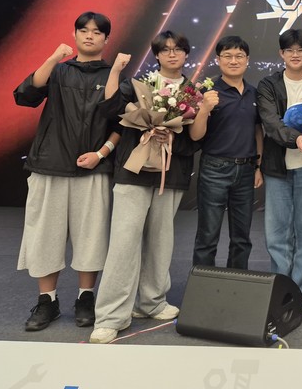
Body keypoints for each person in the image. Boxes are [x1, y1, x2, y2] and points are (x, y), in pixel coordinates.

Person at [90, 30, 213, 344]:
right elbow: (110, 111)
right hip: (133, 173)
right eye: (165, 49)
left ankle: (151, 302)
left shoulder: (193, 92)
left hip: (171, 175)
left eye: (178, 49)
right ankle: (110, 316)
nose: (172, 54)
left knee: (161, 241)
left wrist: (169, 134)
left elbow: (195, 140)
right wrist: (116, 72)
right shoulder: (138, 85)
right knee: (123, 243)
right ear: (157, 55)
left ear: (186, 54)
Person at [14, 11, 119, 332]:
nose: (89, 36)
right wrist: (53, 58)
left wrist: (101, 154)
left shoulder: (114, 74)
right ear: (74, 35)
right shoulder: (58, 70)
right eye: (83, 30)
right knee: (45, 236)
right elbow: (25, 96)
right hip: (49, 165)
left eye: (97, 32)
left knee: (92, 236)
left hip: (93, 170)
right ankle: (47, 301)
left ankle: (86, 298)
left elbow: (121, 124)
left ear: (106, 39)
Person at [256, 29, 302, 315]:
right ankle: (281, 291)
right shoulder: (268, 84)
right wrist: (297, 139)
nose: (295, 55)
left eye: (301, 50)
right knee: (277, 235)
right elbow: (270, 123)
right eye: (289, 50)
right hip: (277, 168)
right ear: (281, 54)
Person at [192, 36, 263, 269]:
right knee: (208, 236)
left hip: (246, 170)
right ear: (218, 59)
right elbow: (195, 135)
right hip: (215, 169)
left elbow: (257, 131)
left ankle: (236, 285)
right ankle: (203, 286)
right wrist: (204, 109)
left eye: (239, 56)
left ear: (247, 60)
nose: (234, 61)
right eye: (228, 56)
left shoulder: (254, 93)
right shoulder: (207, 91)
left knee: (242, 238)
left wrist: (258, 166)